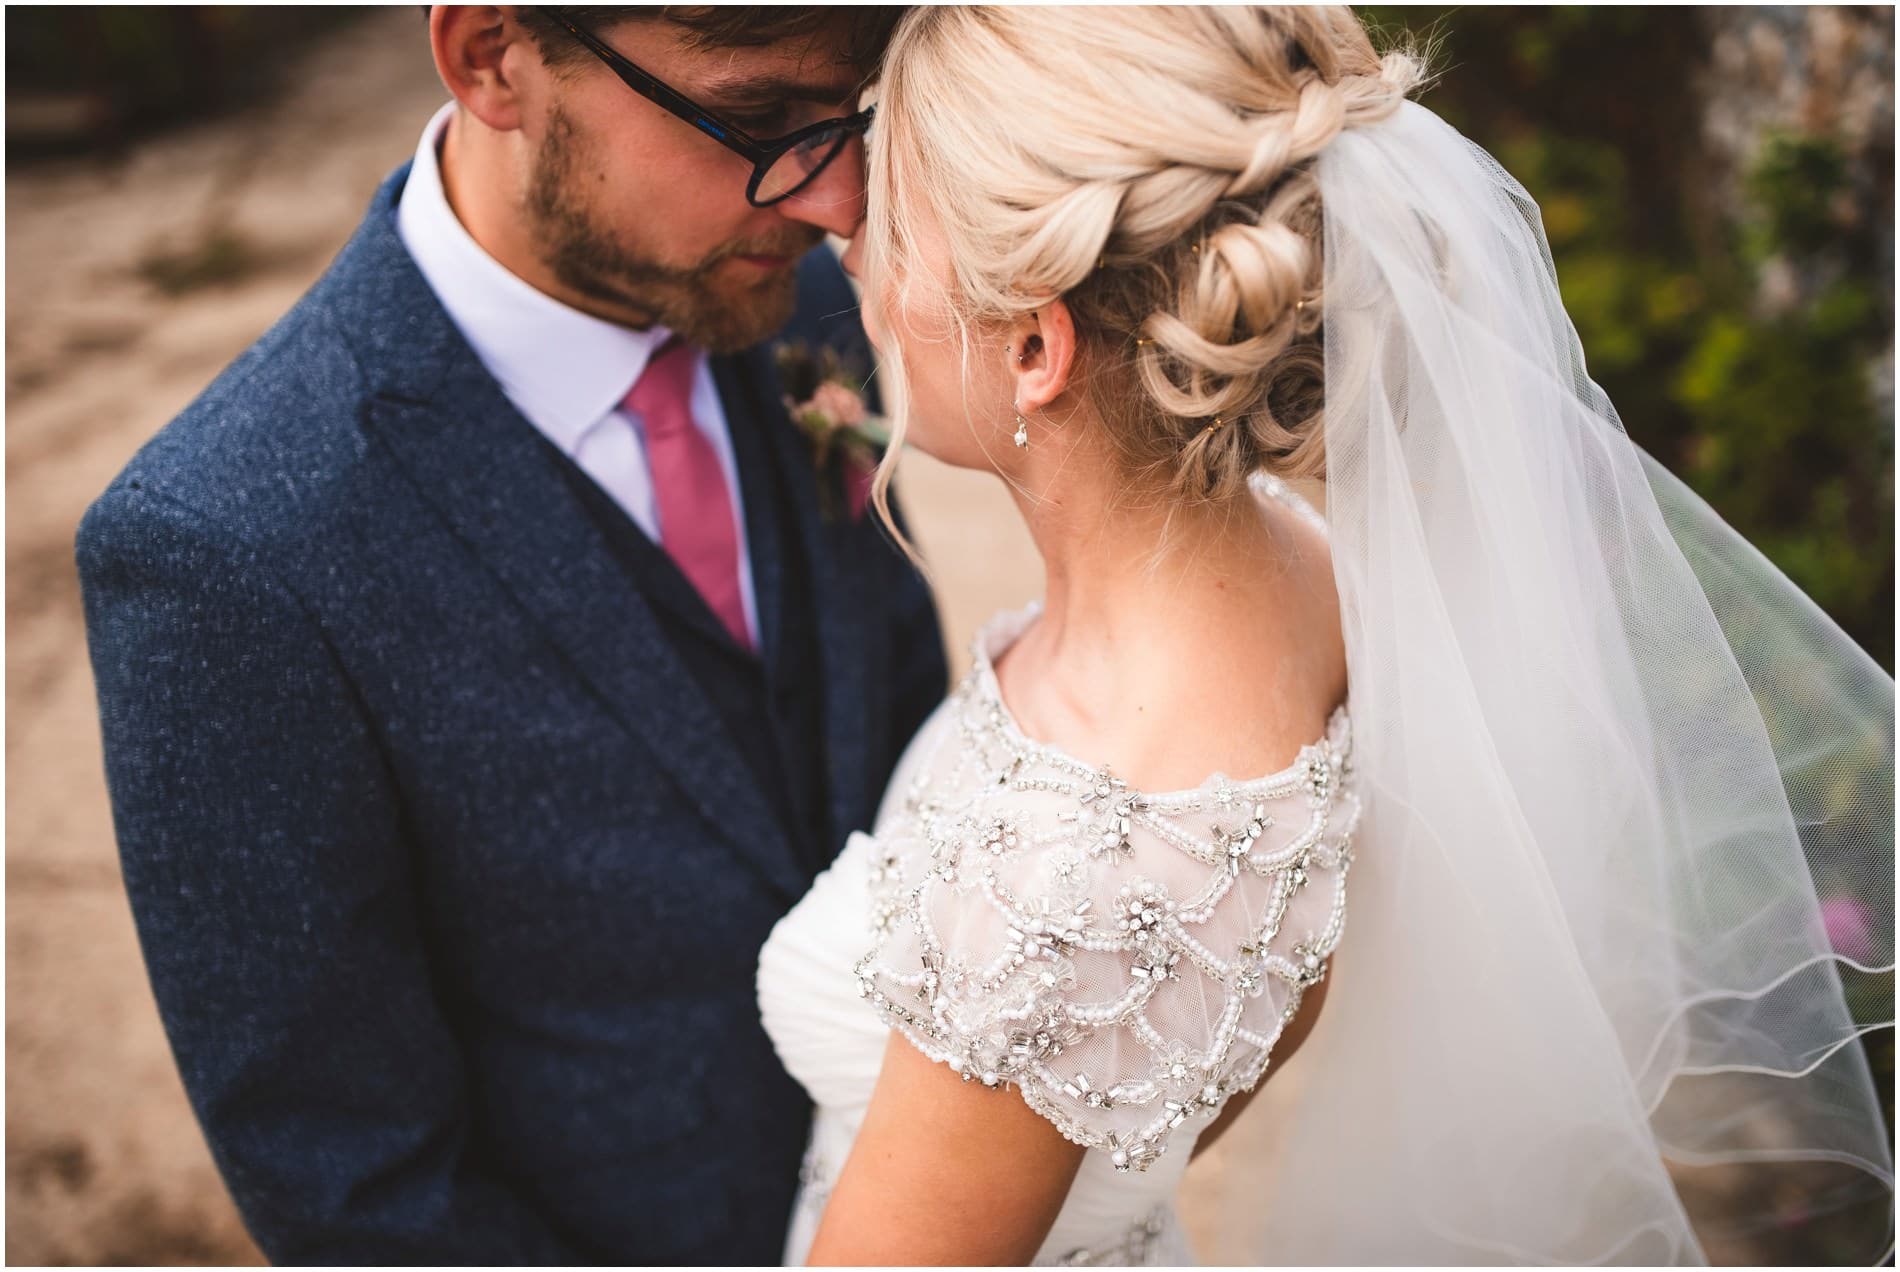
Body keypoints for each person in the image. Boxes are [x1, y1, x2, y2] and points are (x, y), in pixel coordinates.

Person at [756, 6, 1896, 1265]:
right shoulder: (1306, 575)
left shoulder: (1075, 875)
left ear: (1035, 345)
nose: (839, 233)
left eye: (891, 215)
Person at [76, 5, 943, 1263]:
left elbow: (898, 704)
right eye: (759, 121)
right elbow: (352, 1180)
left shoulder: (801, 298)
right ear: (492, 56)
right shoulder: (224, 546)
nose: (836, 198)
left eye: (852, 115)